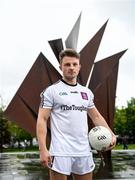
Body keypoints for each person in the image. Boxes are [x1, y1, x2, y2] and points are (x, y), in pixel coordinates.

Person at [36, 49, 116, 180]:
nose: (71, 68)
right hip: (60, 151)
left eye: (74, 64)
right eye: (67, 64)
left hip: (83, 150)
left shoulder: (86, 92)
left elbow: (96, 117)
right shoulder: (51, 91)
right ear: (60, 67)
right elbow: (42, 119)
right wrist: (43, 149)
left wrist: (111, 134)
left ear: (79, 67)